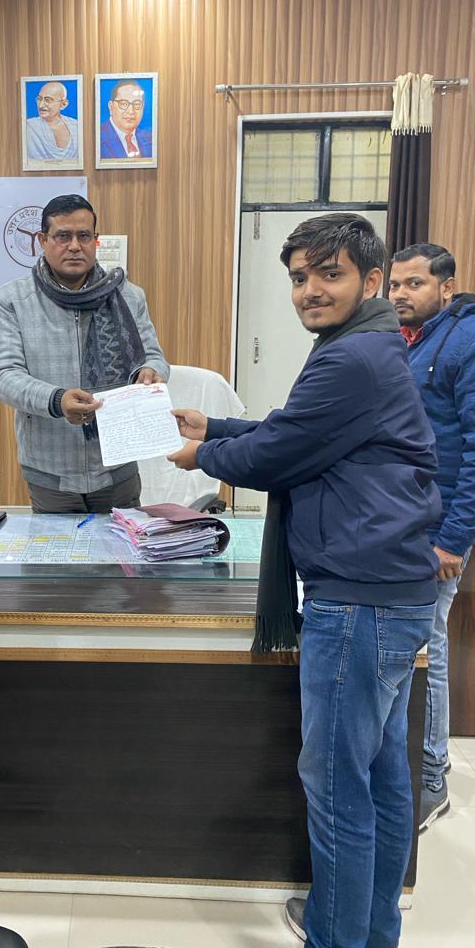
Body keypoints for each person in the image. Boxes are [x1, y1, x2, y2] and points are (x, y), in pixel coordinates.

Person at [168, 213, 440, 948]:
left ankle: (336, 936)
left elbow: (278, 454)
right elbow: (300, 429)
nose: (310, 290)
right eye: (298, 278)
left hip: (357, 600)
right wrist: (216, 428)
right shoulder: (366, 345)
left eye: (329, 273)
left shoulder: (352, 357)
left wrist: (202, 456)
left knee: (337, 788)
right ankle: (367, 930)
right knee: (379, 781)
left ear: (371, 280)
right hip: (389, 592)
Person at [0, 193, 169, 513]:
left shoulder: (128, 296)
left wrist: (151, 372)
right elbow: (4, 377)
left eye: (84, 236)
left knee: (122, 546)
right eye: (63, 236)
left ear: (95, 241)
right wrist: (57, 400)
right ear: (43, 241)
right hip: (50, 472)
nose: (74, 246)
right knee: (57, 548)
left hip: (117, 467)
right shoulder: (12, 301)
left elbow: (154, 357)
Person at [388, 242, 475, 830]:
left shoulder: (464, 342)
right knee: (417, 646)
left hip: (438, 531)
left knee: (430, 647)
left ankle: (432, 775)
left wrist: (453, 540)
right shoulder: (410, 340)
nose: (401, 294)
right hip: (405, 521)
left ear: (446, 287)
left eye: (414, 284)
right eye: (395, 284)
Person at [25, 81, 80, 164]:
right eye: (39, 99)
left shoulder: (76, 126)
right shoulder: (29, 126)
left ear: (63, 104)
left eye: (48, 100)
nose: (41, 105)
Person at [99, 80, 152, 159]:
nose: (131, 111)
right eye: (123, 104)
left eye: (137, 104)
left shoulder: (151, 139)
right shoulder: (97, 138)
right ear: (111, 107)